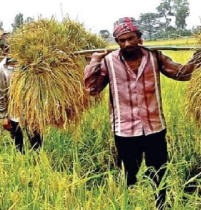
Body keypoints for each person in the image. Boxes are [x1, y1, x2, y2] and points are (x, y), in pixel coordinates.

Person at [84, 17, 199, 209]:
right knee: (128, 175)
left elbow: (182, 74)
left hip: (154, 127)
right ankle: (129, 204)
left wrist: (197, 58)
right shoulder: (109, 62)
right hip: (125, 131)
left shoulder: (155, 57)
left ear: (139, 38)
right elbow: (93, 89)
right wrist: (94, 62)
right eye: (122, 40)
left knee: (159, 173)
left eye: (130, 38)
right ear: (117, 42)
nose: (127, 44)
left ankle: (162, 205)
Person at [0, 32, 42, 154]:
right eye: (6, 49)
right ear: (3, 51)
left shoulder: (28, 63)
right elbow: (0, 93)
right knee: (18, 143)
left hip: (31, 109)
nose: (9, 51)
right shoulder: (0, 69)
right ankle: (22, 165)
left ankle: (38, 167)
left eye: (12, 47)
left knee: (36, 142)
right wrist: (4, 116)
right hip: (13, 111)